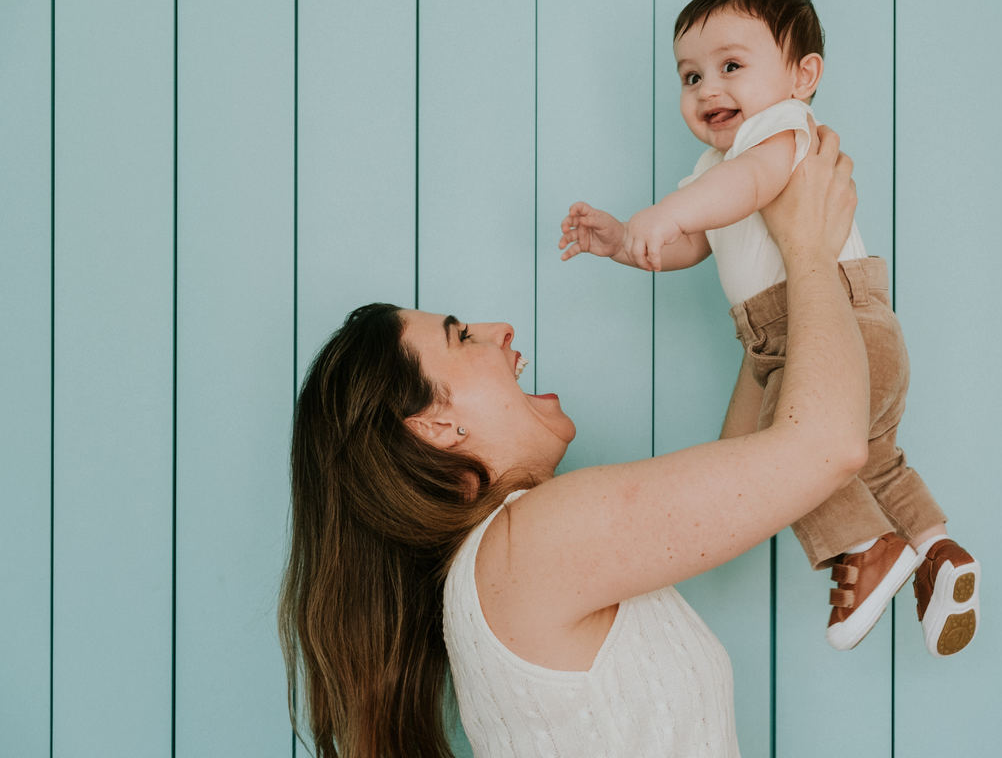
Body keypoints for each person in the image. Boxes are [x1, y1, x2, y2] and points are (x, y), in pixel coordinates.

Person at [280, 124, 864, 757]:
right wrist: (808, 250)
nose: (500, 328)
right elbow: (827, 447)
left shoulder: (510, 564)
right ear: (436, 427)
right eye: (461, 337)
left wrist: (767, 294)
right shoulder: (526, 544)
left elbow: (745, 482)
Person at [559, 0, 979, 655]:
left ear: (802, 76)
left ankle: (865, 548)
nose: (707, 89)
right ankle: (939, 552)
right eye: (690, 76)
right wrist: (628, 241)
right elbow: (697, 242)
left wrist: (666, 211)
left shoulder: (782, 130)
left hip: (827, 327)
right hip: (844, 334)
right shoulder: (715, 168)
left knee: (789, 453)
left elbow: (747, 185)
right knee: (876, 461)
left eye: (731, 66)